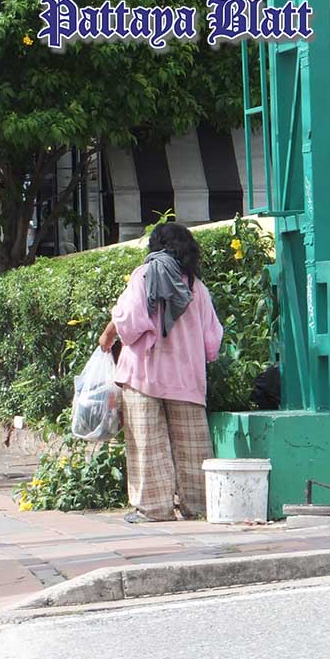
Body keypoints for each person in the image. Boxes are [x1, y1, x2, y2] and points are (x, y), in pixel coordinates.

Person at [98, 222, 223, 524]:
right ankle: (199, 506)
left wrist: (108, 334)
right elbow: (212, 341)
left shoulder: (144, 275)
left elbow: (130, 321)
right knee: (193, 447)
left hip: (144, 374)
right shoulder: (196, 287)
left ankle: (154, 509)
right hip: (186, 377)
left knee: (147, 445)